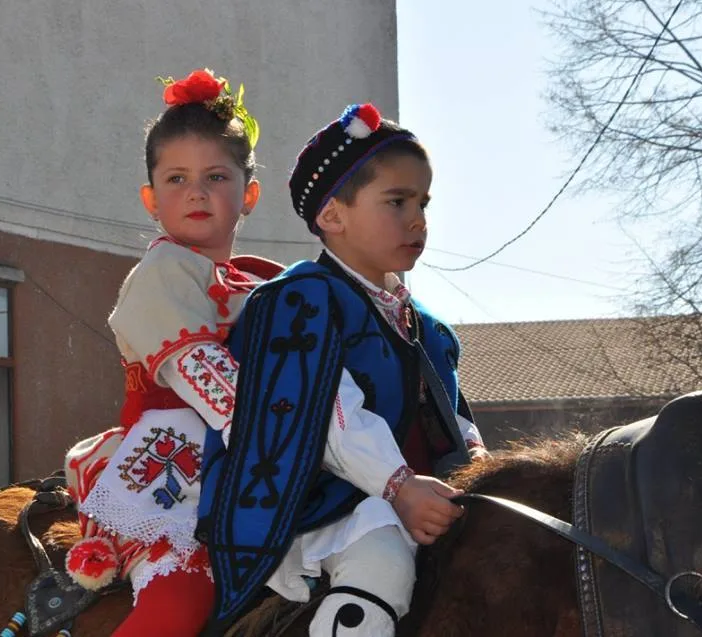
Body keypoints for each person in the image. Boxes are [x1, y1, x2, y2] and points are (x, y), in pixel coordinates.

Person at [197, 103, 487, 637]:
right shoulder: (300, 300)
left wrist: (481, 468)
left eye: (422, 203)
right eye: (397, 201)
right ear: (332, 216)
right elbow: (329, 415)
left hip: (408, 496)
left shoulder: (427, 326)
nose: (418, 220)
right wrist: (400, 487)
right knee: (382, 560)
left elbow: (453, 416)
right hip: (310, 501)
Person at [61, 68, 282, 637]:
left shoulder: (261, 283)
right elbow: (209, 381)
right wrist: (292, 435)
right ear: (151, 199)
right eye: (177, 178)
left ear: (249, 194)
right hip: (172, 470)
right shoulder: (163, 271)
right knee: (183, 595)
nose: (196, 192)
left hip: (250, 469)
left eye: (216, 176)